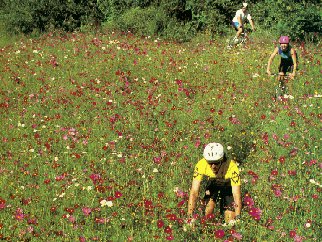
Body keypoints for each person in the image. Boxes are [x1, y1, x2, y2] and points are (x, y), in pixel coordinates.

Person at [187, 143, 242, 226]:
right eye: (210, 163)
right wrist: (190, 217)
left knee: (230, 220)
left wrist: (238, 217)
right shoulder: (201, 164)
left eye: (216, 163)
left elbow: (236, 194)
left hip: (228, 187)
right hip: (213, 185)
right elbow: (194, 191)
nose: (213, 166)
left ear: (222, 159)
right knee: (207, 214)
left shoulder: (232, 167)